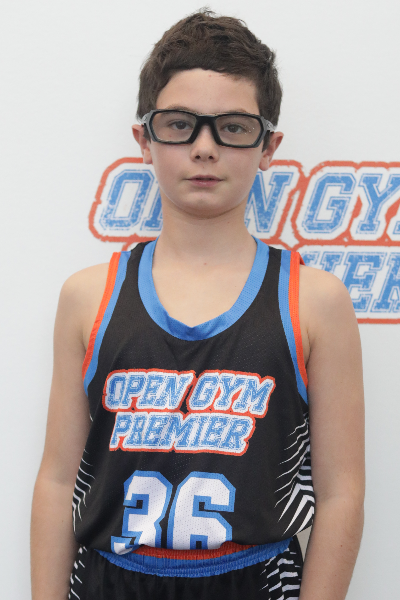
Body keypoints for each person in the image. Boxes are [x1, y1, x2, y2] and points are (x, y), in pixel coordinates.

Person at [30, 10, 365, 600]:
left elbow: (341, 494)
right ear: (145, 140)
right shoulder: (89, 297)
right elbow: (58, 482)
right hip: (110, 580)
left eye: (233, 127)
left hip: (258, 580)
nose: (204, 148)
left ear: (268, 147)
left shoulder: (314, 302)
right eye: (180, 124)